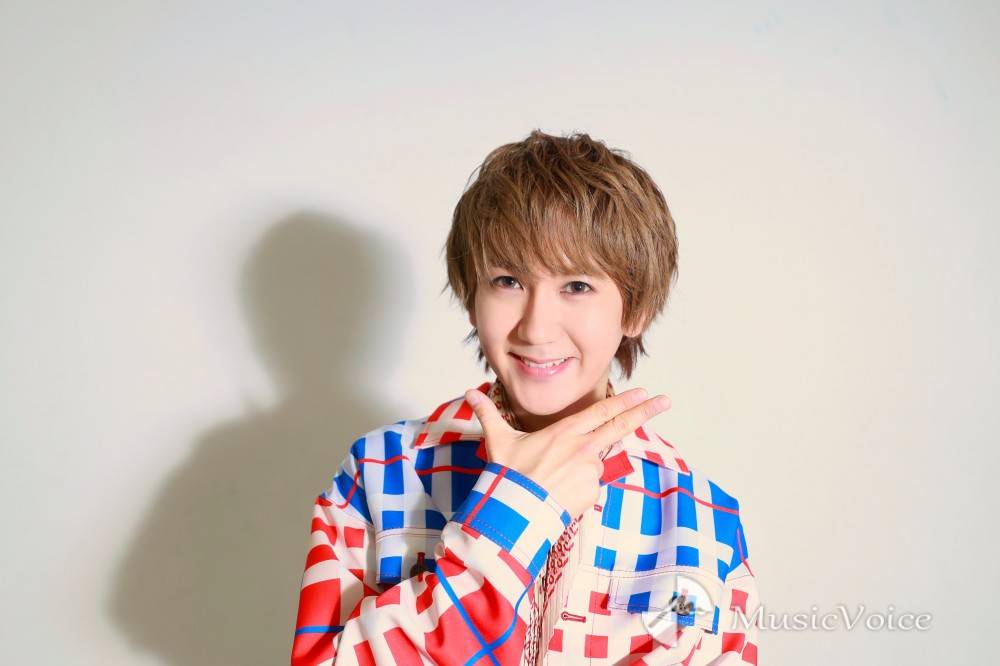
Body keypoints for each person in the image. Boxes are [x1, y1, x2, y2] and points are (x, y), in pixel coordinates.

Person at [289, 130, 760, 665]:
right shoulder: (380, 471)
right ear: (472, 297)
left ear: (636, 310)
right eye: (508, 281)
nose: (536, 327)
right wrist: (514, 514)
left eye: (577, 286)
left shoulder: (703, 520)